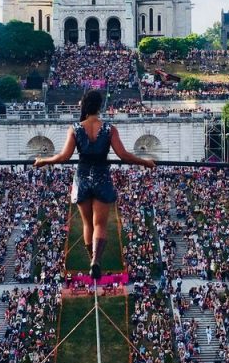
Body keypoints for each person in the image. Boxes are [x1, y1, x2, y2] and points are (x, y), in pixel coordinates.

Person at [34, 89, 155, 279]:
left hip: (82, 177)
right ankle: (96, 261)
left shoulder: (75, 128)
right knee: (100, 224)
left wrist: (44, 161)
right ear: (99, 107)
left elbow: (64, 157)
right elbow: (123, 155)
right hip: (101, 177)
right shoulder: (108, 129)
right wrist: (145, 162)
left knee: (87, 224)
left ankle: (92, 260)